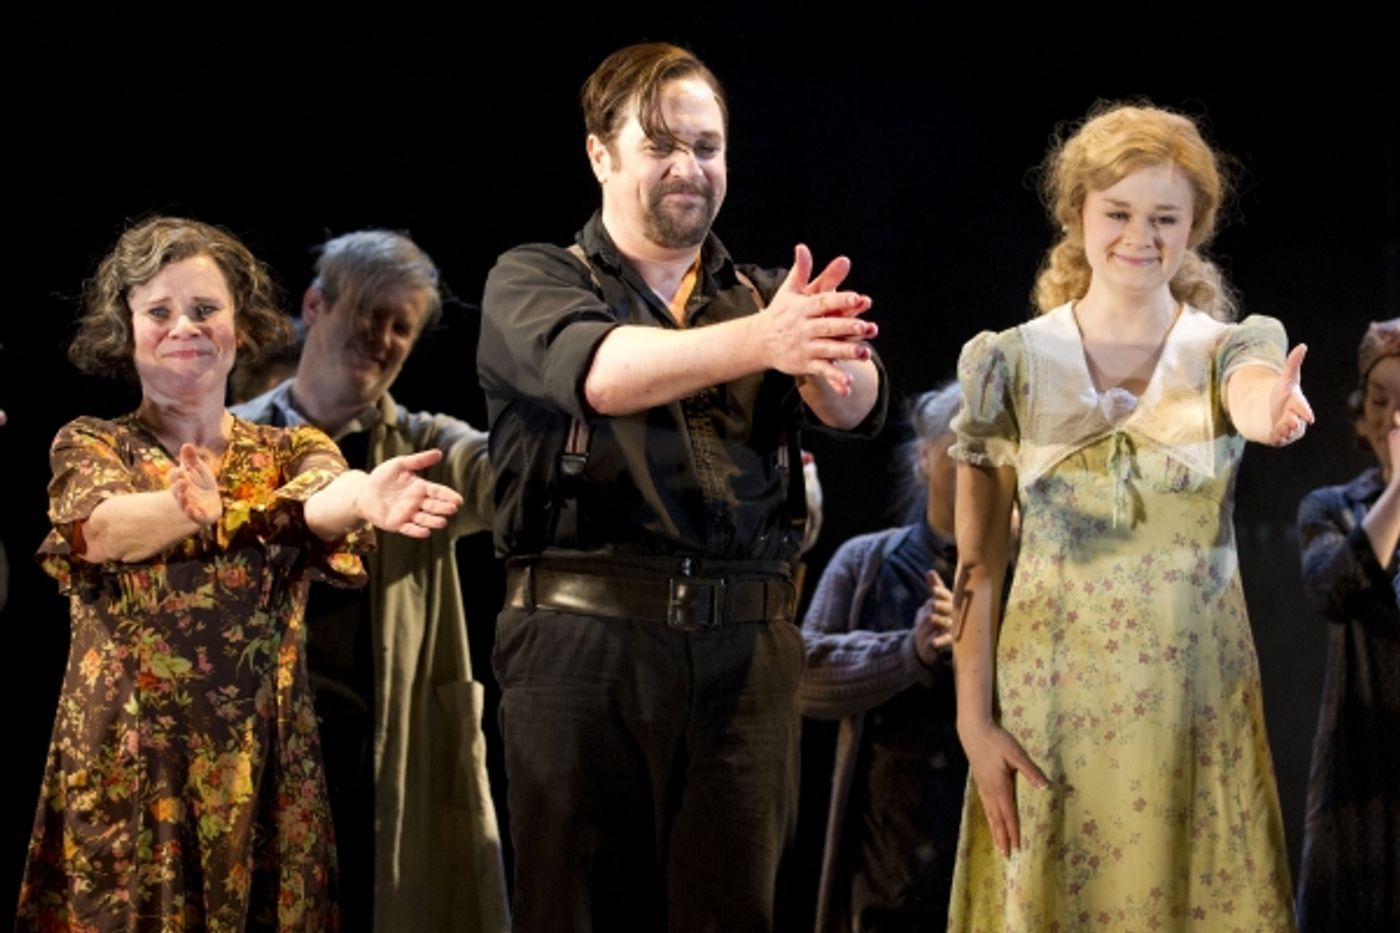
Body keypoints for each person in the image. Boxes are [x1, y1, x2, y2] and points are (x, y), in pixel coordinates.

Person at [478, 41, 887, 932]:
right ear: (600, 153)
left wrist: (831, 368)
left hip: (747, 653)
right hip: (583, 648)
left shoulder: (764, 295)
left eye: (706, 147)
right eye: (661, 144)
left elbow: (857, 404)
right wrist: (772, 343)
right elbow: (605, 375)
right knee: (579, 910)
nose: (687, 167)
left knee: (733, 911)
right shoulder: (535, 278)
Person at [16, 217, 464, 931]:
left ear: (240, 323)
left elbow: (322, 499)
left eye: (204, 310)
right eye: (158, 312)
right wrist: (181, 506)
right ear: (125, 328)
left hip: (261, 776)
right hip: (130, 772)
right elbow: (98, 530)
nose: (183, 328)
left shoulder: (291, 448)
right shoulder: (93, 442)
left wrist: (364, 497)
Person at [948, 104, 1311, 929]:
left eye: (1164, 218)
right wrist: (973, 721)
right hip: (1050, 722)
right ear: (1078, 214)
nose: (1139, 237)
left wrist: (1274, 411)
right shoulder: (1009, 363)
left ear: (1193, 229)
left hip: (1193, 716)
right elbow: (978, 564)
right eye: (1118, 212)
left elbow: (1255, 396)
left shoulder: (1229, 349)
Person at [233, 230, 506, 933]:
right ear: (317, 305)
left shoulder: (425, 448)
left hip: (369, 749)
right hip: (251, 741)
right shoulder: (227, 438)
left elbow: (511, 474)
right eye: (369, 312)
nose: (381, 336)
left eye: (401, 326)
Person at [799, 382, 967, 932]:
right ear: (924, 458)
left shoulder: (1032, 573)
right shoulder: (866, 560)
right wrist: (908, 651)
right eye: (961, 446)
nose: (978, 463)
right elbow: (803, 674)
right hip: (885, 868)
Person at [1295, 318, 1400, 931]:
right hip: (1359, 775)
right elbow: (1332, 589)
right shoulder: (1332, 508)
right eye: (1382, 402)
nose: (1394, 420)